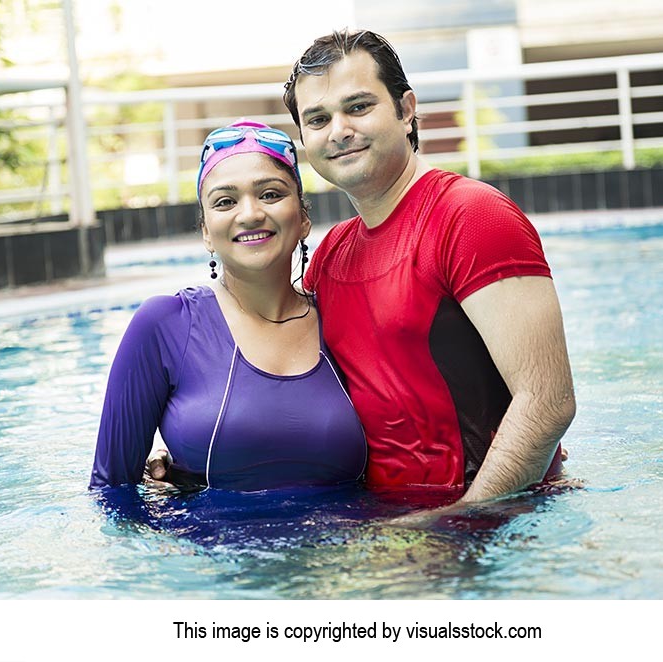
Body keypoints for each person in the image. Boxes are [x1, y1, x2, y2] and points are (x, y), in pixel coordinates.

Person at [279, 30, 576, 507]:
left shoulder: (471, 216)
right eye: (318, 119)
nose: (338, 130)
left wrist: (459, 520)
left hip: (499, 523)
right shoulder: (330, 256)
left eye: (358, 107)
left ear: (406, 109)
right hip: (391, 527)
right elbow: (293, 390)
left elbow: (548, 402)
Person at [89, 120, 366, 491]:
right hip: (207, 548)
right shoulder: (165, 326)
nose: (250, 213)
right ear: (206, 231)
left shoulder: (348, 320)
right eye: (225, 201)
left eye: (270, 194)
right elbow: (112, 494)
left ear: (302, 218)